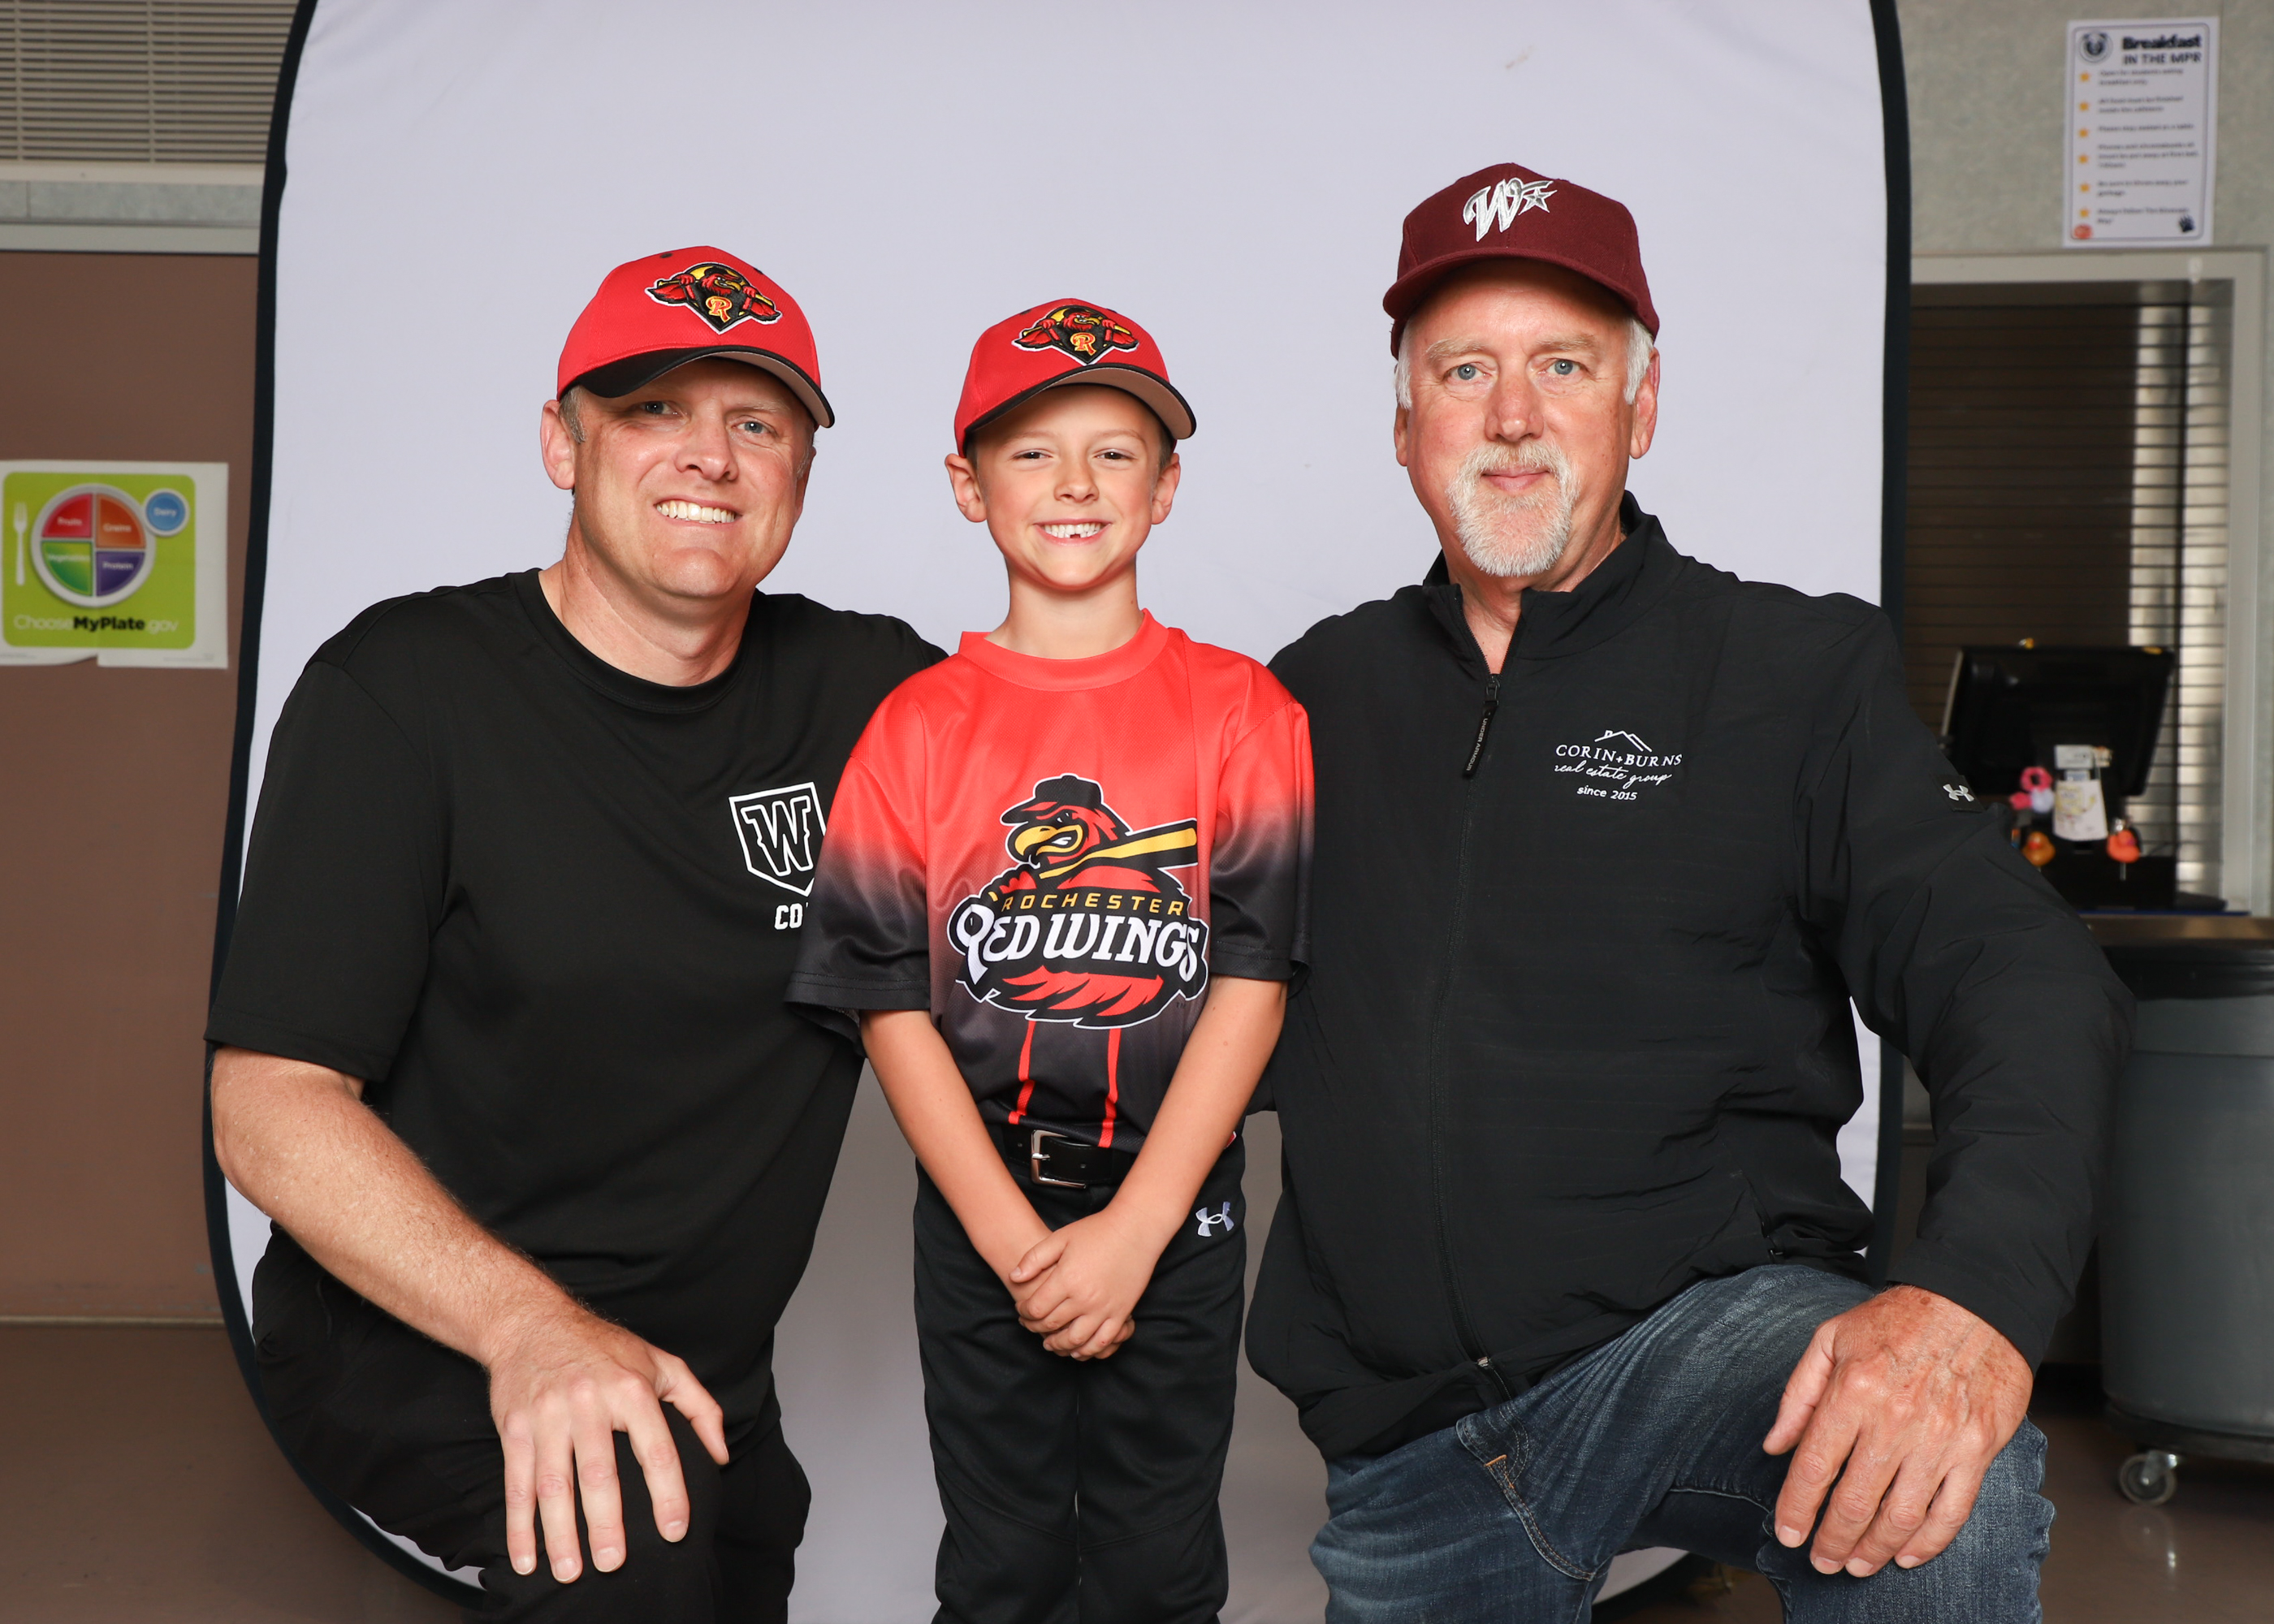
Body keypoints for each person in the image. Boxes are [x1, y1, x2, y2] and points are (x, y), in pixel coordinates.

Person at [1247, 163, 2131, 1620]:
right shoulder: (1307, 696)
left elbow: (2017, 973)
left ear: (1640, 406)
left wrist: (1971, 1298)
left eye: (1564, 366)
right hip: (1407, 1435)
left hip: (1695, 1346)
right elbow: (1174, 998)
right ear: (1406, 427)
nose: (1513, 413)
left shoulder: (1789, 675)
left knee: (1939, 1497)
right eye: (1464, 371)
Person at [207, 246, 940, 1622]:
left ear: (800, 473)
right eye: (656, 409)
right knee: (632, 1549)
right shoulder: (403, 691)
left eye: (757, 422)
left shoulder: (872, 696)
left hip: (704, 1384)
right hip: (429, 1344)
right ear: (563, 443)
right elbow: (268, 1104)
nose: (710, 455)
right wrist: (530, 1331)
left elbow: (1100, 782)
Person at [787, 299, 1312, 1624]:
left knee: (1157, 1568)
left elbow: (1255, 985)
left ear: (1166, 487)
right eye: (1030, 451)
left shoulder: (1244, 713)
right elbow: (886, 1005)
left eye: (1114, 451)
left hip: (1175, 1198)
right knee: (1003, 1564)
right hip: (987, 1198)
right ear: (969, 487)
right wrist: (1017, 1245)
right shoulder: (914, 727)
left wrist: (1136, 1232)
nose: (1075, 483)